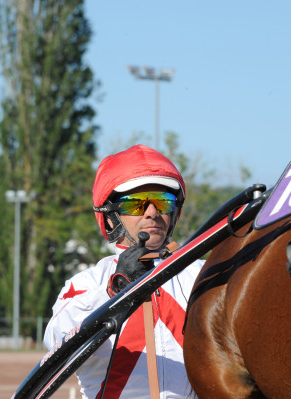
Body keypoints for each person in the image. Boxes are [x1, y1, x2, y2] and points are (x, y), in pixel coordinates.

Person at [44, 144, 205, 399]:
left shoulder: (202, 274)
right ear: (110, 217)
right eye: (135, 204)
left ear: (175, 210)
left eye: (162, 201)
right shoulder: (87, 283)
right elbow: (56, 343)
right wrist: (115, 290)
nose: (152, 212)